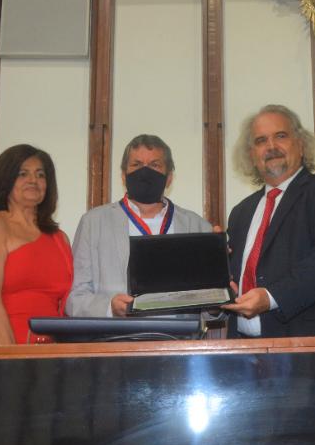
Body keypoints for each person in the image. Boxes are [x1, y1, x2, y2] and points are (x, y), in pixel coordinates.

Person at [223, 104, 315, 337]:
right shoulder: (241, 212)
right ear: (251, 155)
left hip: (308, 346)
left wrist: (271, 297)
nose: (271, 147)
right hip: (242, 348)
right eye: (261, 141)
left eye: (281, 136)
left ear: (301, 144)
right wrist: (217, 271)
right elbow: (236, 279)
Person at [65, 135, 213, 317]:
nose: (145, 172)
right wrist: (110, 307)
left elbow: (210, 308)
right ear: (123, 175)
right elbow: (75, 298)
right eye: (136, 165)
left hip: (178, 334)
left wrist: (217, 303)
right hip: (117, 333)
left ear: (169, 178)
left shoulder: (198, 227)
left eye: (154, 165)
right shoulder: (93, 223)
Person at [0, 145, 73, 345]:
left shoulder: (60, 238)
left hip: (47, 352)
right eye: (23, 174)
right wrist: (13, 357)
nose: (33, 180)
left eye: (40, 175)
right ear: (5, 181)